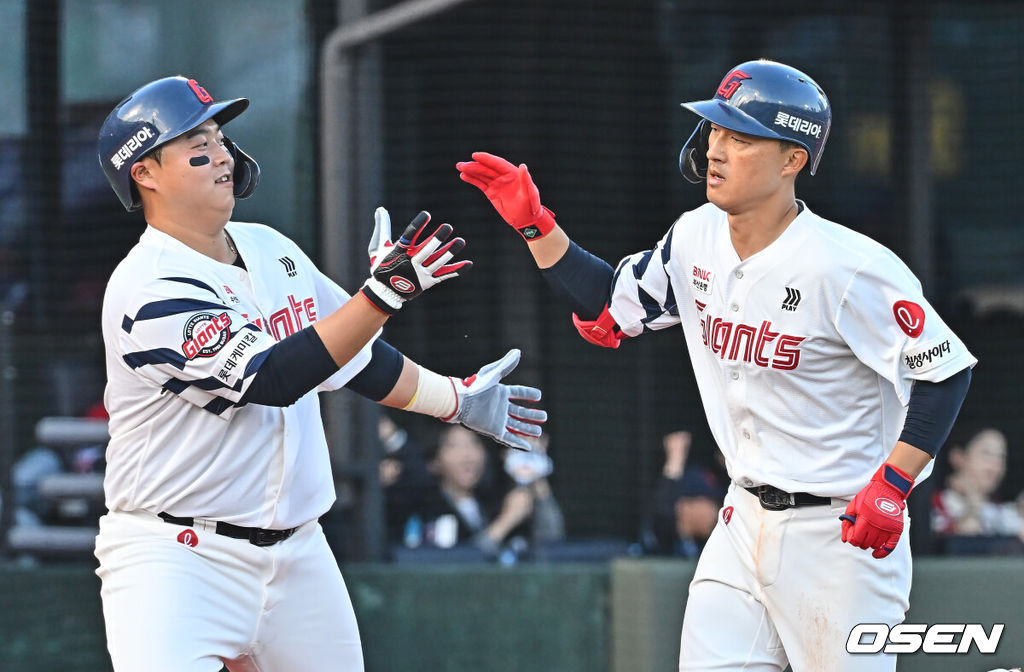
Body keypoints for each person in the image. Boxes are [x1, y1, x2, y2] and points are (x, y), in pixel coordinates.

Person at [458, 59, 975, 671]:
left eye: (742, 137)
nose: (716, 150)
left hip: (840, 537)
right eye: (715, 132)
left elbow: (944, 371)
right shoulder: (696, 233)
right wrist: (535, 225)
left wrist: (894, 481)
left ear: (793, 160)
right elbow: (609, 301)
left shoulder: (847, 266)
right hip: (741, 518)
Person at [93, 76, 547, 672]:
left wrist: (454, 401)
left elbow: (351, 353)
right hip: (177, 561)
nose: (222, 152)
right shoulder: (147, 287)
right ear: (144, 173)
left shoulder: (267, 246)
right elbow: (273, 379)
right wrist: (381, 295)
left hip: (299, 555)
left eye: (220, 136)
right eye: (195, 143)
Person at [406, 424, 563, 559]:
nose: (468, 456)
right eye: (454, 446)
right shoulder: (426, 509)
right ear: (435, 462)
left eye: (474, 444)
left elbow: (552, 539)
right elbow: (453, 562)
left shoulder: (494, 500)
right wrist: (506, 521)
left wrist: (534, 470)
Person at [931, 426, 1024, 554]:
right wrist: (971, 502)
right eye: (987, 454)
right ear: (958, 457)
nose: (996, 463)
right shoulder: (935, 504)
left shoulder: (1000, 510)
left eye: (1001, 456)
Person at [647, 431, 724, 559]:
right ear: (685, 506)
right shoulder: (666, 542)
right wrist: (675, 459)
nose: (711, 512)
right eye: (702, 502)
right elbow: (664, 513)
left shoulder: (713, 542)